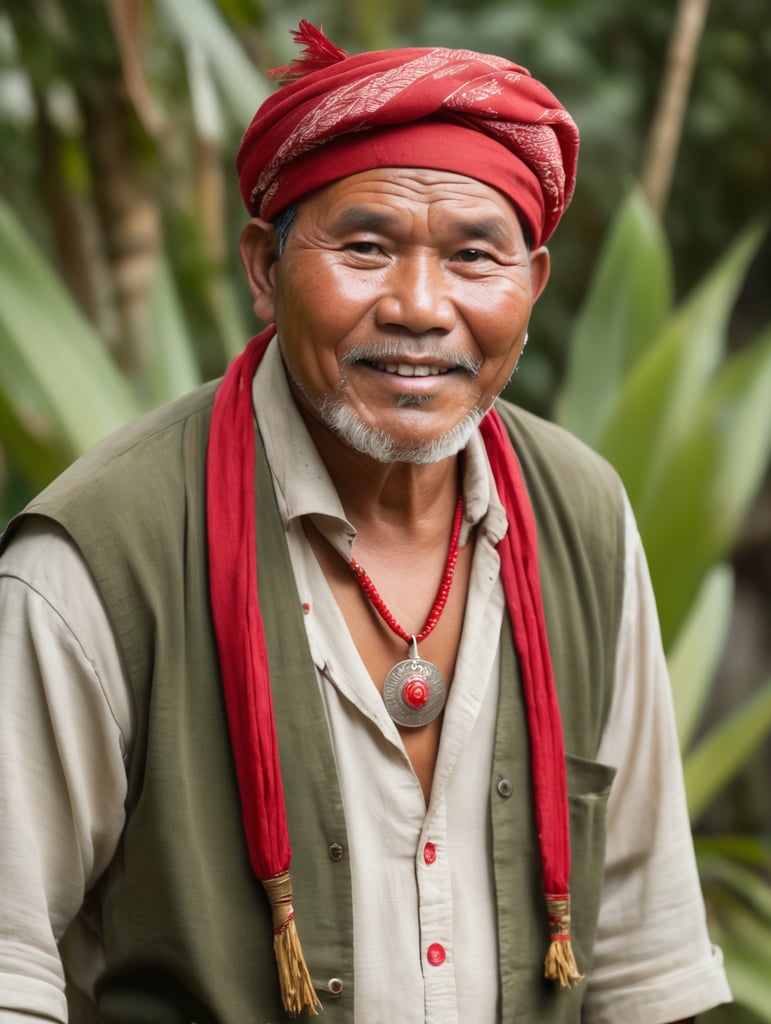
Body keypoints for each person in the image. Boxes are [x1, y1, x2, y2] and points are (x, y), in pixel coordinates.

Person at [0, 20, 732, 1024]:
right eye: (367, 246)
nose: (421, 306)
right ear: (264, 267)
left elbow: (647, 963)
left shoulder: (583, 518)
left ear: (535, 286)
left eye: (476, 256)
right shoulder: (99, 557)